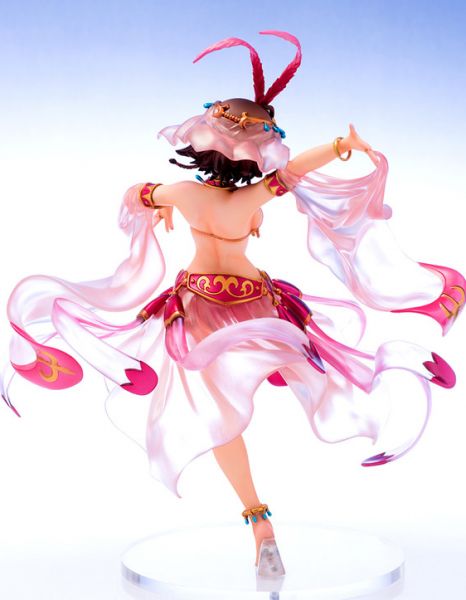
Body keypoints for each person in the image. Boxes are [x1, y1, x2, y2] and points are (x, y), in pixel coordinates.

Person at [1, 31, 464, 577]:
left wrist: (156, 209)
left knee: (220, 413)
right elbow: (295, 173)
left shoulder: (183, 194)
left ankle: (257, 516)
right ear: (256, 156)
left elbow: (136, 193)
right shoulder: (251, 198)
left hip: (197, 308)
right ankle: (386, 383)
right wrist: (341, 146)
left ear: (203, 144)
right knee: (325, 368)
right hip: (256, 306)